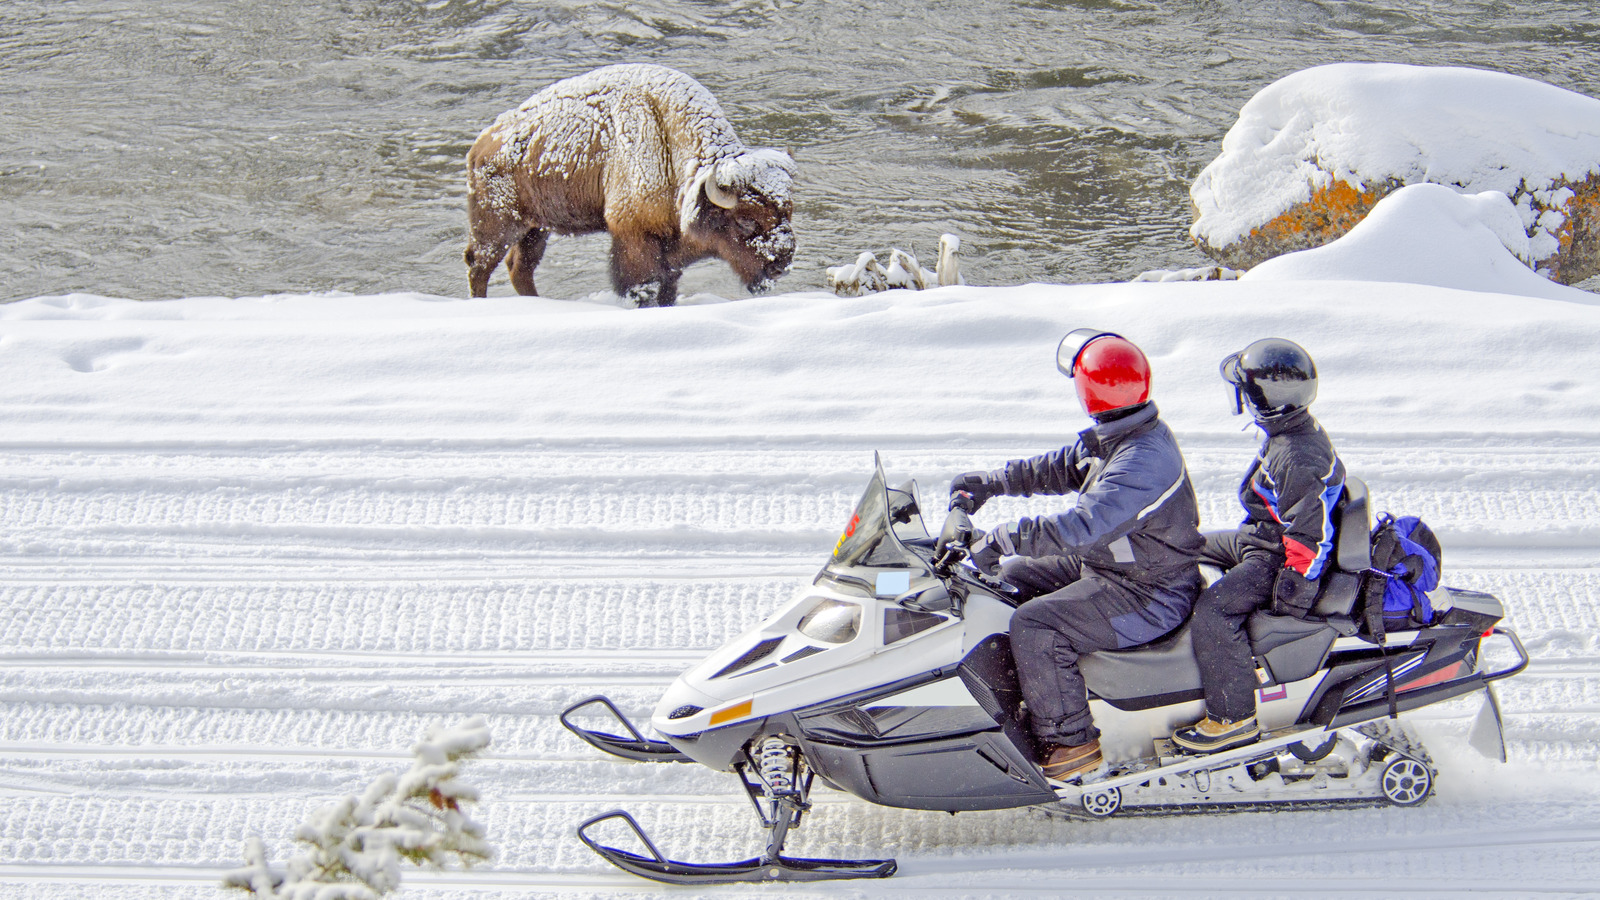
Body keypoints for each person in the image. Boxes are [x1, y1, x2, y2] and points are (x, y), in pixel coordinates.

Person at [950, 329, 1204, 781]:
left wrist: (1006, 535)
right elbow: (1059, 467)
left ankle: (1071, 742)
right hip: (1118, 563)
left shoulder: (1142, 461)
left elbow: (1083, 525)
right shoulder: (1122, 434)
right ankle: (1038, 688)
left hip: (1150, 591)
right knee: (1015, 576)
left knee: (1035, 624)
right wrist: (991, 482)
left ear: (1090, 392)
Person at [1170, 337, 1346, 754]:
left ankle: (1233, 718)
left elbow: (1310, 538)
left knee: (1213, 612)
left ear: (1264, 401)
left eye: (1248, 393)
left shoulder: (1298, 457)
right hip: (1261, 536)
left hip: (1277, 556)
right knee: (1180, 547)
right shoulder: (1290, 430)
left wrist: (1288, 600)